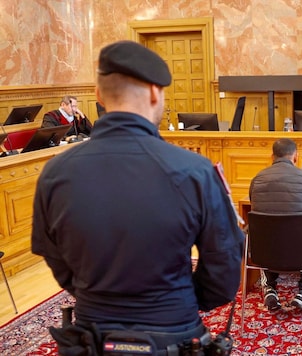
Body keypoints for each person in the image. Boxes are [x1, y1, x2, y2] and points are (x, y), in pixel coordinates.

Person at [31, 41, 244, 354]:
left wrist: (97, 294)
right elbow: (224, 267)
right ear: (156, 93)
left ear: (99, 95)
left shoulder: (55, 173)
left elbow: (55, 259)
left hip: (93, 334)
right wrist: (179, 298)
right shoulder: (195, 171)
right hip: (174, 331)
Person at [249, 138, 302, 313]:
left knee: (265, 236)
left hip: (265, 251)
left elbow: (258, 212)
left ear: (271, 156)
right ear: (296, 156)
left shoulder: (257, 179)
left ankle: (270, 289)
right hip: (301, 251)